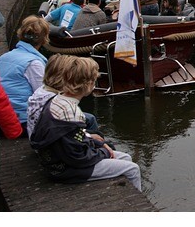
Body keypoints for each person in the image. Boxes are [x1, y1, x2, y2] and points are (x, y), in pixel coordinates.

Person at [28, 55, 142, 191]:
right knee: (133, 169)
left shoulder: (58, 101)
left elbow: (73, 138)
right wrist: (103, 152)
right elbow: (78, 157)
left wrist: (99, 144)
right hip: (64, 170)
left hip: (57, 161)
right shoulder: (72, 114)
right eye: (93, 81)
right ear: (87, 85)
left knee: (126, 157)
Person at [0, 15, 50, 131]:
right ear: (44, 39)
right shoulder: (34, 63)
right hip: (21, 121)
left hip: (0, 119)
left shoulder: (3, 57)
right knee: (85, 120)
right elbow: (43, 97)